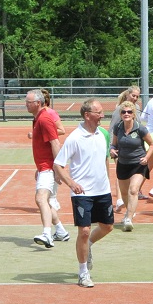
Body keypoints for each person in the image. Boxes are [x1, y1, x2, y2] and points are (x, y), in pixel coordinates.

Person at [53, 98, 115, 287]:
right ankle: (83, 272)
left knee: (107, 227)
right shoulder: (74, 138)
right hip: (82, 193)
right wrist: (71, 183)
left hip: (103, 190)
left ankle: (87, 246)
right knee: (85, 231)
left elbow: (104, 160)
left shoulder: (103, 134)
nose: (102, 116)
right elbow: (58, 164)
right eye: (99, 113)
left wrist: (109, 183)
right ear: (87, 115)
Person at [25, 89, 69, 249]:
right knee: (48, 202)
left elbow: (55, 143)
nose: (26, 105)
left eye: (28, 102)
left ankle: (47, 234)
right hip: (45, 167)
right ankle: (61, 231)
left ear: (37, 103)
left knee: (40, 199)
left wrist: (58, 169)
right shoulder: (37, 119)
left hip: (49, 168)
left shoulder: (44, 119)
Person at [111, 99, 153, 232]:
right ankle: (129, 212)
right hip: (123, 163)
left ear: (133, 114)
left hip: (138, 164)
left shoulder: (140, 129)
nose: (126, 114)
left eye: (129, 112)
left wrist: (146, 158)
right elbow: (114, 144)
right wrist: (112, 150)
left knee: (133, 190)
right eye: (124, 112)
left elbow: (152, 145)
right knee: (125, 193)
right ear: (121, 114)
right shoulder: (118, 128)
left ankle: (129, 219)